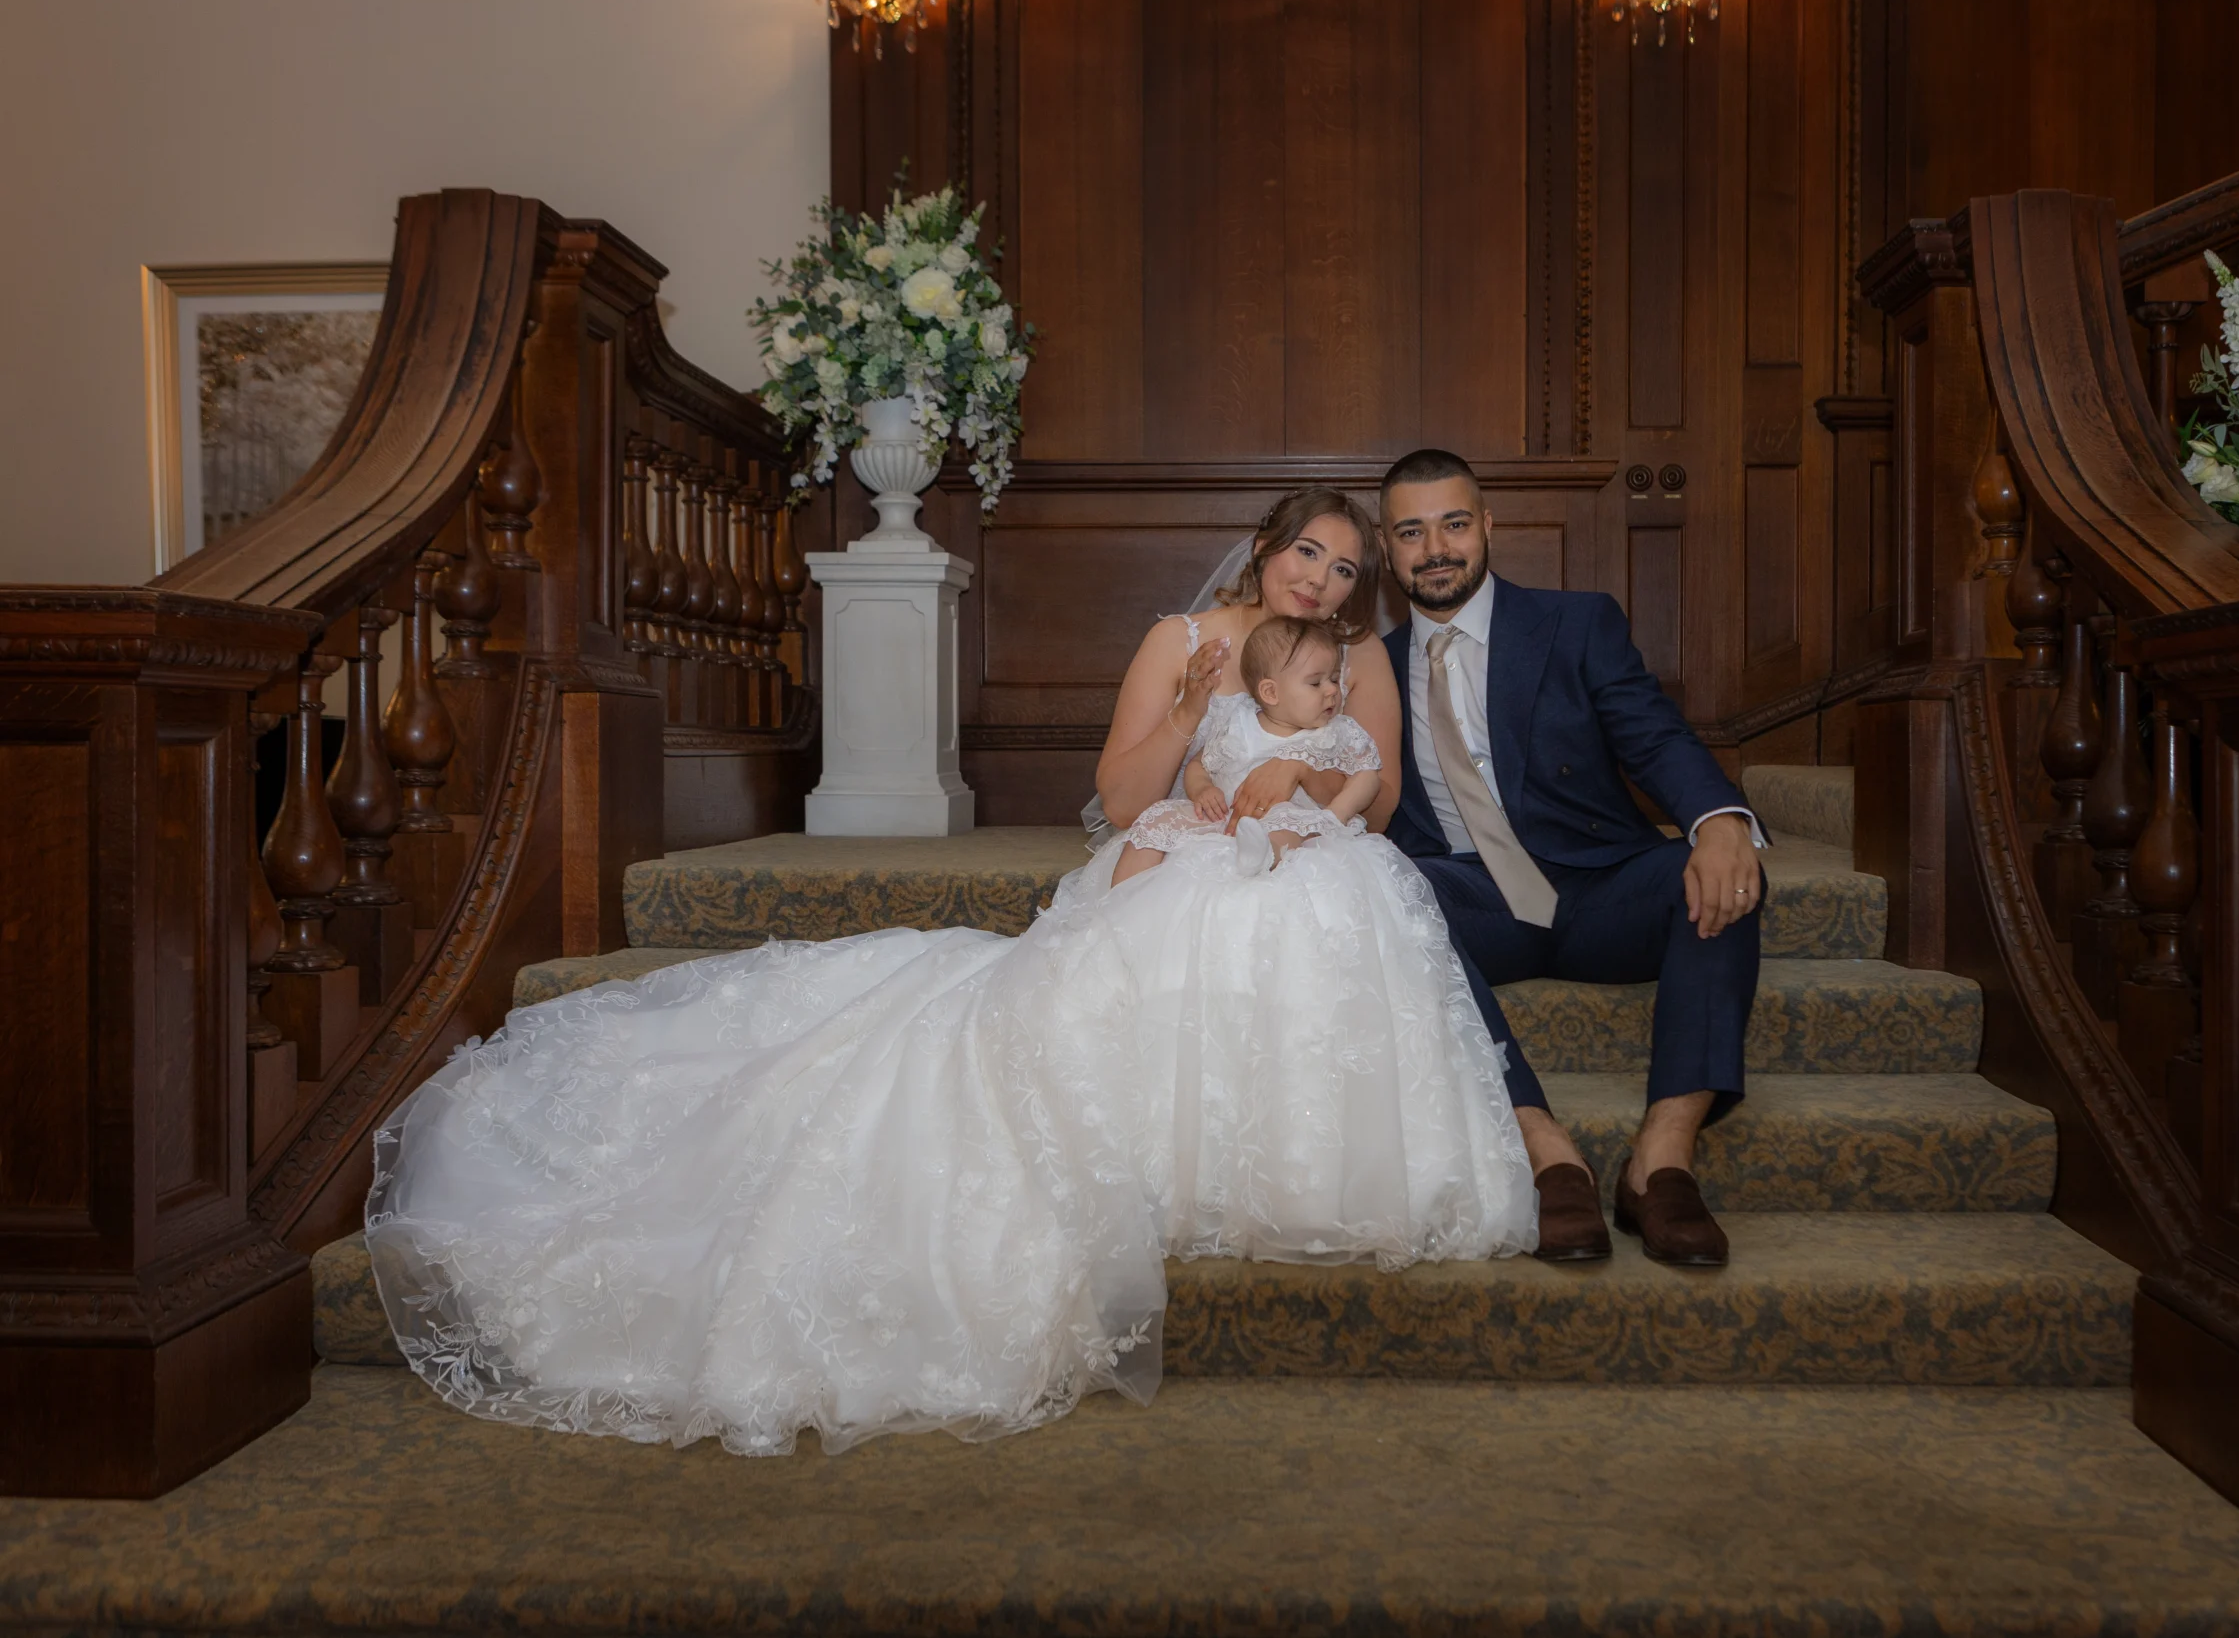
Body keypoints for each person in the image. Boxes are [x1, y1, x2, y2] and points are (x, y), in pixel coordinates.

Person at [364, 485, 1534, 1458]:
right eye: (1306, 556)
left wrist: (1298, 811)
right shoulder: (1182, 643)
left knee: (1329, 927)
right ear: (1267, 547)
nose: (1319, 584)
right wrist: (1189, 728)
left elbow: (1373, 787)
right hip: (1179, 850)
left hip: (1299, 855)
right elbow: (1124, 802)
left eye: (1341, 571)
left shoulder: (1350, 660)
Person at [1374, 448, 1764, 1269]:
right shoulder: (1371, 664)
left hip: (1601, 886)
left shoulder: (1575, 622)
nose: (1435, 547)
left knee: (1720, 871)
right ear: (1388, 550)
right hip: (1473, 900)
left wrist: (1718, 818)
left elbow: (1653, 734)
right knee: (1387, 889)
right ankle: (1544, 1148)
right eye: (1411, 531)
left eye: (1452, 523)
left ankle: (1661, 1158)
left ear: (1487, 527)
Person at [1113, 615, 1383, 885]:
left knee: (1287, 831)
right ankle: (1121, 899)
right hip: (1224, 819)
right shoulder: (1239, 721)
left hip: (1296, 821)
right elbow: (1199, 764)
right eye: (1316, 683)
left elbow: (1368, 775)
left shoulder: (1337, 731)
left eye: (1334, 680)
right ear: (1270, 692)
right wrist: (1202, 790)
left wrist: (1334, 816)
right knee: (1157, 820)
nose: (1332, 691)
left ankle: (1261, 856)